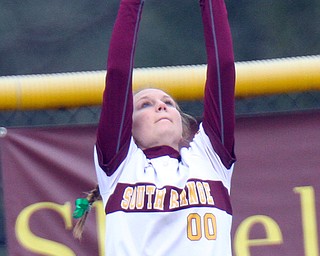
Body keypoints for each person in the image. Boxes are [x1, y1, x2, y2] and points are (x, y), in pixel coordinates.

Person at [73, 0, 236, 255]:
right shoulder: (120, 168)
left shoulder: (210, 159)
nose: (161, 106)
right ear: (128, 127)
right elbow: (118, 73)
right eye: (145, 105)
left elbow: (223, 67)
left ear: (183, 126)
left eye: (168, 102)